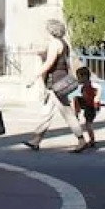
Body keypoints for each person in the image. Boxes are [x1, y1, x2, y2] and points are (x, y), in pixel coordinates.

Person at [23, 18, 89, 153]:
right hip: (61, 79)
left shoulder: (54, 44)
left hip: (56, 82)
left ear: (51, 30)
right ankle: (36, 140)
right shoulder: (64, 43)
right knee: (49, 112)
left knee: (65, 113)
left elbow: (49, 63)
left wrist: (34, 77)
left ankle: (81, 140)